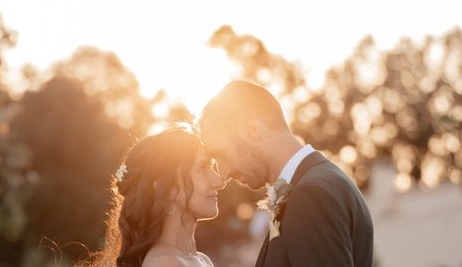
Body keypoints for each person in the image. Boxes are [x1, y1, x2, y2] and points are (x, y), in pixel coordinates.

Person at [199, 81, 373, 267]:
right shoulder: (322, 182)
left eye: (221, 155)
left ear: (251, 131)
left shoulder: (312, 195)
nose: (223, 174)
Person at [86, 126, 224, 267]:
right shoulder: (165, 263)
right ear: (169, 188)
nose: (219, 181)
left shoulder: (202, 260)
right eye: (202, 168)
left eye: (212, 167)